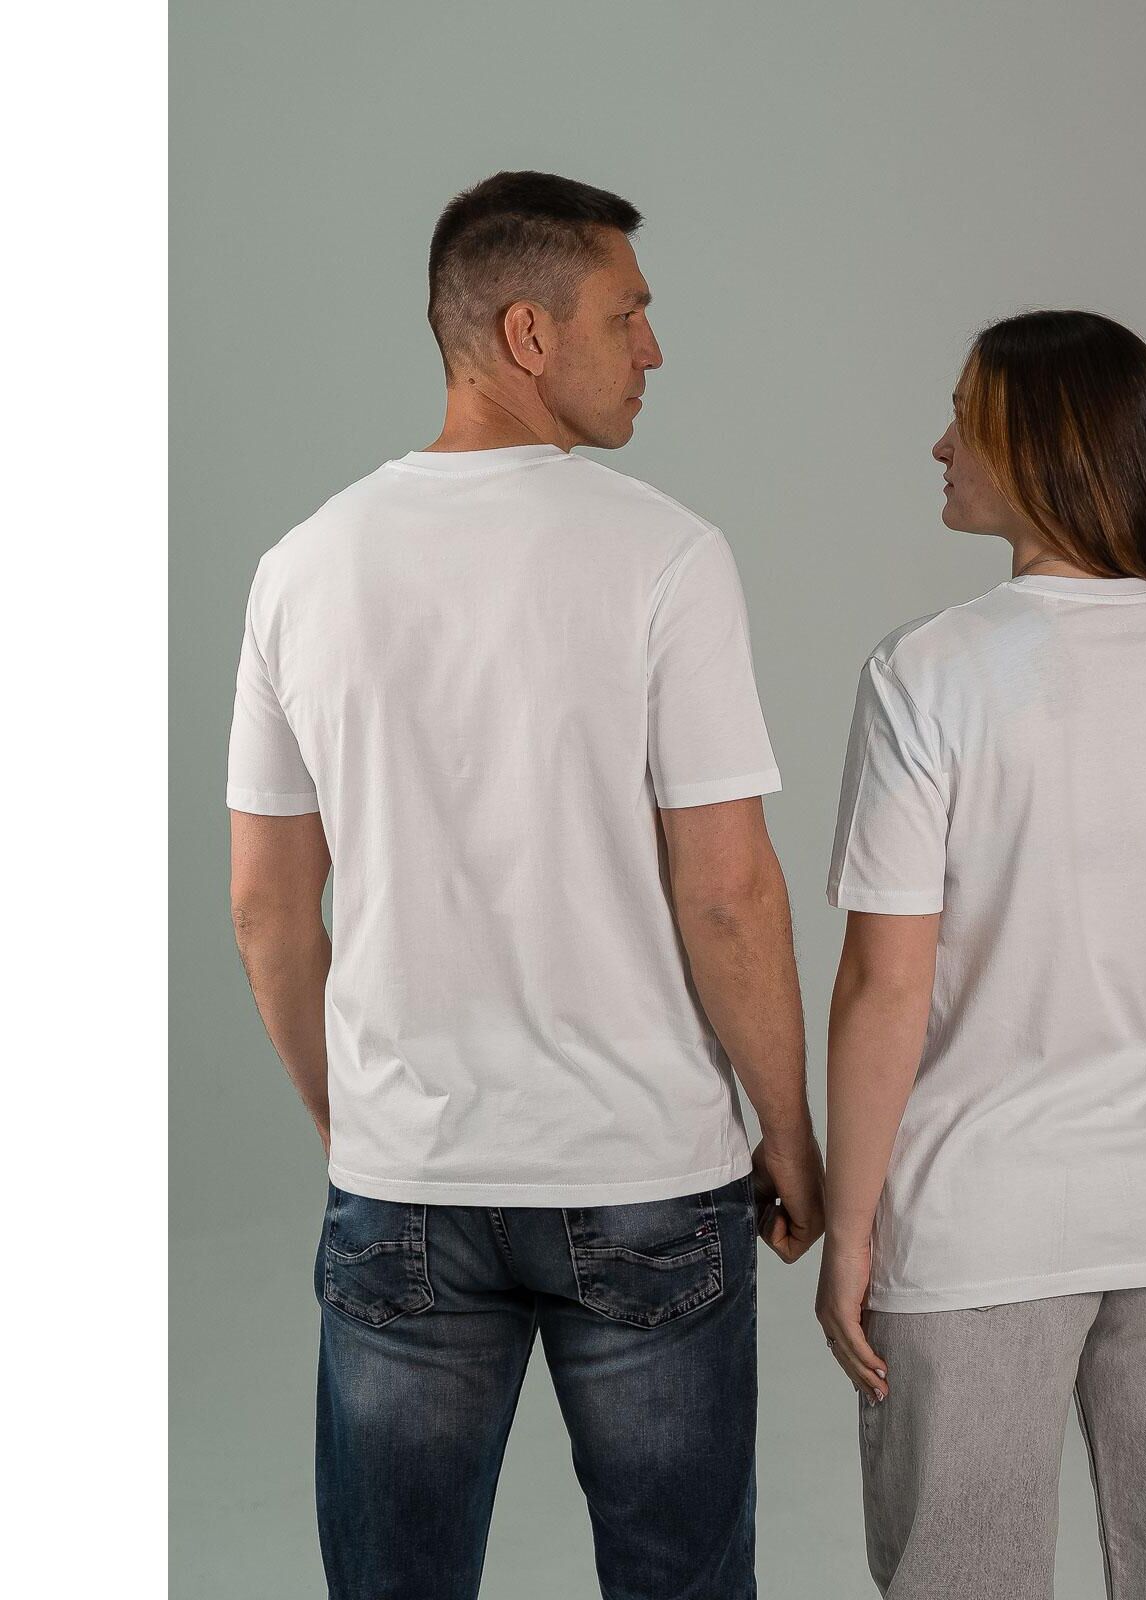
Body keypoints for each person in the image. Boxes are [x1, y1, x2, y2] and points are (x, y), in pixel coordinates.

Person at [227, 169, 823, 1600]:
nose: (655, 349)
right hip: (647, 1175)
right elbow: (728, 891)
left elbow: (266, 906)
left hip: (408, 1179)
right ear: (527, 333)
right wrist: (792, 1133)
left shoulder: (302, 569)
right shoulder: (666, 556)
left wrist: (361, 1129)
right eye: (629, 314)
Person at [816, 310, 1146, 1599]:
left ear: (1038, 443)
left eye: (962, 418)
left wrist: (851, 1230)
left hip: (974, 1223)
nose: (939, 445)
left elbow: (885, 981)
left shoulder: (926, 674)